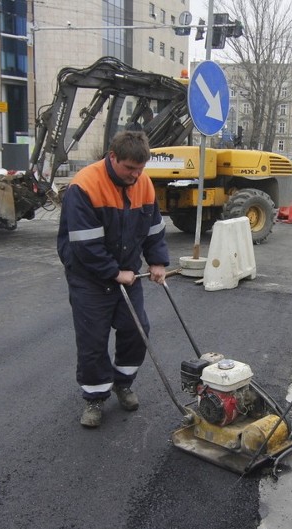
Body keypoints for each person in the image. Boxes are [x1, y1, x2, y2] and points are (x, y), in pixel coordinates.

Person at [57, 130, 169, 428]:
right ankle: (95, 398)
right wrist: (113, 272)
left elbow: (153, 229)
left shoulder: (143, 183)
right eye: (129, 168)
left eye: (140, 169)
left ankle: (123, 383)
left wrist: (157, 261)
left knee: (137, 329)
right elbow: (84, 245)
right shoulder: (85, 186)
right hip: (89, 278)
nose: (135, 176)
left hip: (128, 274)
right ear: (112, 157)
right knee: (93, 339)